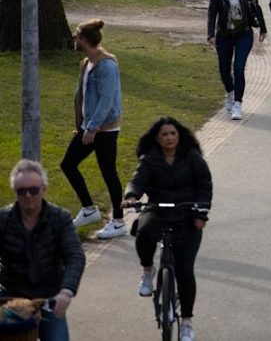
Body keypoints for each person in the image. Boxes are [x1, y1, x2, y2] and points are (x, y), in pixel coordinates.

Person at [122, 118, 212, 341]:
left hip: (187, 214)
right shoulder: (150, 159)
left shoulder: (192, 157)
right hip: (158, 209)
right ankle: (147, 271)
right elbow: (137, 181)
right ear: (157, 138)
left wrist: (200, 214)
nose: (169, 138)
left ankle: (187, 322)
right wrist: (131, 196)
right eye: (164, 134)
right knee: (142, 232)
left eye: (173, 133)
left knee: (184, 270)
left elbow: (204, 185)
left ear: (179, 135)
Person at [0, 159, 85, 341]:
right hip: (10, 297)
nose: (28, 195)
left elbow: (75, 255)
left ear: (44, 189)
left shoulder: (60, 218)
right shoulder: (3, 219)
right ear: (14, 192)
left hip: (49, 298)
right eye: (22, 191)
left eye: (34, 190)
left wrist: (66, 291)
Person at [59, 19, 126, 239]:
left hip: (104, 130)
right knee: (68, 164)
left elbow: (106, 100)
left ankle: (118, 221)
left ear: (85, 40)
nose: (75, 40)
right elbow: (83, 97)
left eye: (77, 36)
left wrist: (92, 128)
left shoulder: (107, 65)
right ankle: (89, 209)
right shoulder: (86, 63)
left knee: (109, 173)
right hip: (89, 128)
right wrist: (81, 126)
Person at [207, 0, 267, 120]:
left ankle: (238, 103)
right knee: (224, 70)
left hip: (244, 33)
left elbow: (256, 7)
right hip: (224, 34)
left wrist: (263, 28)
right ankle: (230, 92)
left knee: (239, 67)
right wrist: (210, 34)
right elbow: (212, 12)